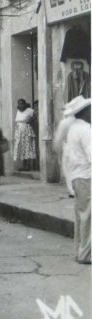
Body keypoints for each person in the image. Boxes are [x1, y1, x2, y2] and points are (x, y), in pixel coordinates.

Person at [63, 95, 91, 264]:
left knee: (81, 216)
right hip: (87, 176)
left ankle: (80, 250)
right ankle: (85, 254)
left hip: (77, 176)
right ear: (86, 112)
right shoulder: (86, 130)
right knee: (87, 216)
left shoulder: (73, 128)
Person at [53, 112, 76, 197]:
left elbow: (58, 140)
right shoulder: (81, 121)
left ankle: (72, 191)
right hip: (80, 147)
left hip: (68, 146)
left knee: (68, 169)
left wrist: (57, 148)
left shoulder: (64, 122)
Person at [13, 98, 37, 171]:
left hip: (26, 131)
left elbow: (35, 115)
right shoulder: (18, 111)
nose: (20, 105)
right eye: (19, 103)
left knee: (27, 147)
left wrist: (31, 120)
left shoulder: (29, 111)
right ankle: (24, 165)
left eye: (22, 103)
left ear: (25, 104)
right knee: (22, 148)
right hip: (19, 131)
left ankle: (28, 165)